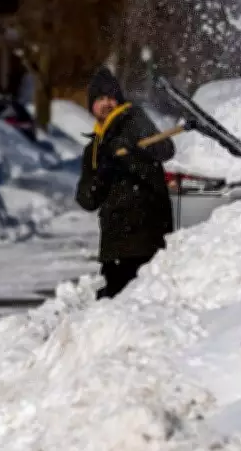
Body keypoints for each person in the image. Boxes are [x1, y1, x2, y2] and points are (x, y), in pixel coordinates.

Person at [75, 66, 175, 299]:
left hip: (148, 239)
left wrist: (132, 147)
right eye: (100, 99)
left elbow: (166, 150)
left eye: (111, 97)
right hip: (115, 246)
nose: (106, 103)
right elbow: (87, 199)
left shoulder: (135, 122)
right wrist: (105, 171)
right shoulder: (94, 149)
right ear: (92, 105)